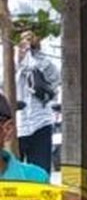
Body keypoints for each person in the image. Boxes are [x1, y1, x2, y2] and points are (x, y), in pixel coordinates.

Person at [15, 31, 60, 173]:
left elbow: (55, 78)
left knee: (40, 176)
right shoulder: (4, 49)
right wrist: (18, 59)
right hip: (11, 127)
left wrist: (37, 52)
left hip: (40, 123)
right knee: (11, 180)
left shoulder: (44, 50)